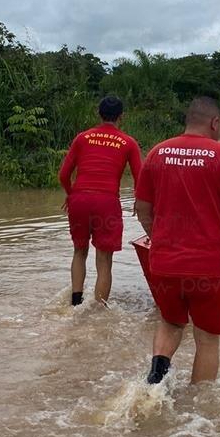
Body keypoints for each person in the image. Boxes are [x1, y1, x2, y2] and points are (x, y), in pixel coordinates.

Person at [135, 97, 220, 384]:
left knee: (170, 322)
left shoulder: (157, 153)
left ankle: (155, 378)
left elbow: (143, 209)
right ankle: (197, 414)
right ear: (215, 122)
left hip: (164, 264)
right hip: (208, 268)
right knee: (207, 339)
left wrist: (159, 239)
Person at [59, 95, 142, 306]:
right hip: (106, 203)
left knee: (79, 251)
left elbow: (63, 175)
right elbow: (139, 178)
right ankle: (98, 312)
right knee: (104, 260)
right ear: (121, 116)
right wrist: (139, 201)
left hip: (79, 200)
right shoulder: (128, 142)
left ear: (99, 113)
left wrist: (71, 195)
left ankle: (75, 303)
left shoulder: (82, 138)